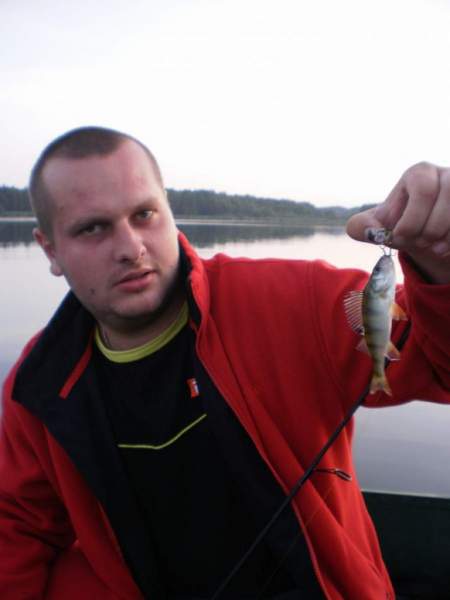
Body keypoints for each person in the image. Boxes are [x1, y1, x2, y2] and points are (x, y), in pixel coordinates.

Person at [1, 126, 449, 600]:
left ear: (169, 211)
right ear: (50, 249)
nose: (131, 248)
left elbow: (438, 364)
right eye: (93, 228)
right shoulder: (39, 383)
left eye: (145, 214)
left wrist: (440, 266)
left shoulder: (295, 301)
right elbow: (18, 526)